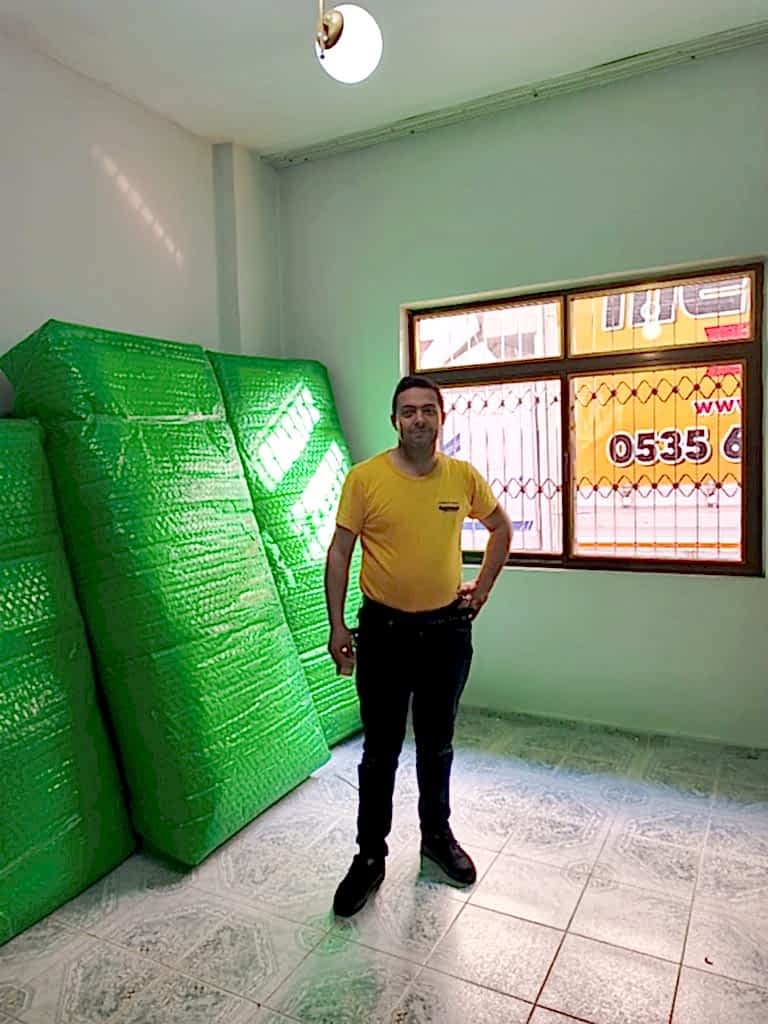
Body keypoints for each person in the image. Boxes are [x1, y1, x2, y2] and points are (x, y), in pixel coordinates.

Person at [325, 374, 512, 917]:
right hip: (384, 634)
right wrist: (337, 627)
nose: (419, 419)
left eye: (428, 410)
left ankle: (436, 838)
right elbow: (340, 553)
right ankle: (369, 857)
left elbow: (501, 529)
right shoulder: (365, 479)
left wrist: (483, 588)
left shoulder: (461, 477)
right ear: (395, 421)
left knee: (437, 744)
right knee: (380, 751)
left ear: (441, 418)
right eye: (408, 411)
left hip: (445, 634)